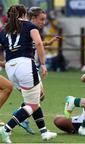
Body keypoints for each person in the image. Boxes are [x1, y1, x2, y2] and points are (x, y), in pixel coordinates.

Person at [0, 4, 57, 143]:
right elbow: (38, 43)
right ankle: (6, 128)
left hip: (10, 68)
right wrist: (43, 64)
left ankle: (44, 132)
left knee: (35, 98)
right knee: (32, 104)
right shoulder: (30, 26)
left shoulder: (4, 30)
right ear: (25, 14)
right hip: (25, 65)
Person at [15, 6, 61, 135]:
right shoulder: (28, 28)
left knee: (40, 96)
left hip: (25, 67)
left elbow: (37, 43)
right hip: (25, 68)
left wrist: (49, 43)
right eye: (41, 19)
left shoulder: (29, 28)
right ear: (33, 18)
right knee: (37, 97)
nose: (43, 22)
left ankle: (23, 116)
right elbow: (36, 44)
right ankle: (19, 117)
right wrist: (43, 64)